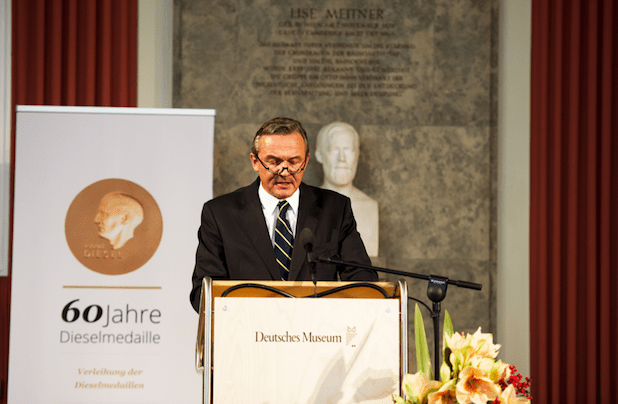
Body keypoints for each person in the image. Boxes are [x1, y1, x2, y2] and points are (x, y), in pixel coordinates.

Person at [190, 117, 377, 312]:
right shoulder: (221, 214)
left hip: (317, 335)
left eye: (294, 162)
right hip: (247, 334)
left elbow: (363, 281)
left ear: (306, 160)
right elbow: (202, 293)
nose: (285, 172)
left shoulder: (335, 209)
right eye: (274, 162)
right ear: (255, 161)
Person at [315, 122, 379, 257]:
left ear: (357, 155)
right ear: (319, 155)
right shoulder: (306, 206)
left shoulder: (370, 207)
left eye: (348, 150)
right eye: (334, 149)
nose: (342, 159)